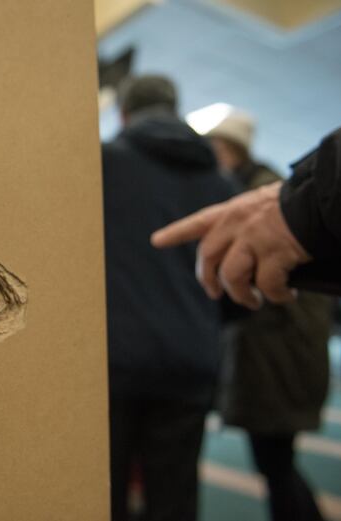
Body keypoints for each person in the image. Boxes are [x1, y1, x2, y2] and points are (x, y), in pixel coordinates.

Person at [102, 75, 235, 521]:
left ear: (123, 113)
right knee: (174, 499)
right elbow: (237, 286)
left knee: (100, 495)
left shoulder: (101, 164)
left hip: (110, 361)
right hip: (190, 362)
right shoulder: (220, 184)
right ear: (176, 110)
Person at [206, 108, 332, 521]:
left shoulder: (265, 201)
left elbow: (265, 292)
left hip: (277, 359)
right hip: (282, 356)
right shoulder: (274, 192)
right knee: (276, 465)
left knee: (275, 466)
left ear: (227, 149)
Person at [151, 98, 341, 308]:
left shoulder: (257, 191)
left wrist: (302, 210)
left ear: (224, 148)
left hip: (280, 327)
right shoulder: (264, 188)